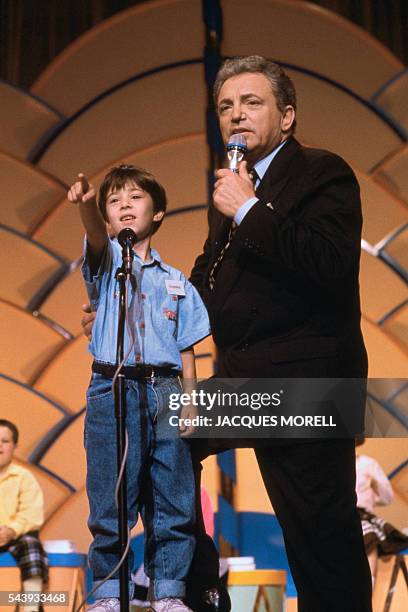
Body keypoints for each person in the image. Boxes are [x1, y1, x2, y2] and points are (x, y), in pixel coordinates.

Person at [83, 55, 373, 611]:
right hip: (245, 383)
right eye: (225, 107)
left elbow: (330, 265)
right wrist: (133, 306)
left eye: (251, 102)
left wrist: (249, 209)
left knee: (319, 537)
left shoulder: (321, 172)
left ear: (287, 117)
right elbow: (203, 289)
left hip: (307, 385)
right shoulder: (235, 190)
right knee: (162, 438)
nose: (235, 115)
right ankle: (193, 590)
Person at [68, 164, 211, 612]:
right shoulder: (108, 262)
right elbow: (93, 236)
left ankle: (168, 591)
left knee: (174, 498)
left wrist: (189, 401)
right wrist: (88, 206)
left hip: (165, 388)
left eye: (135, 197)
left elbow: (187, 346)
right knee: (111, 496)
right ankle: (109, 593)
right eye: (115, 201)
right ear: (109, 220)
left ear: (159, 211)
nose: (125, 205)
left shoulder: (177, 281)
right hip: (113, 386)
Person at [0, 419, 48, 612]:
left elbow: (32, 514)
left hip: (15, 538)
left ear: (15, 446)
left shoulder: (24, 478)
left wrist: (11, 531)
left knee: (31, 544)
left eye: (5, 441)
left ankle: (31, 608)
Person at [355, 441, 408, 585]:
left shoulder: (367, 464)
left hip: (363, 515)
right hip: (340, 517)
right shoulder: (332, 466)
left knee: (370, 536)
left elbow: (387, 497)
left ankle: (369, 584)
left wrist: (375, 484)